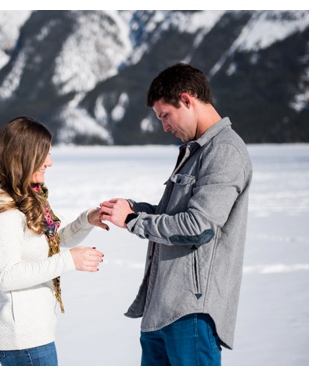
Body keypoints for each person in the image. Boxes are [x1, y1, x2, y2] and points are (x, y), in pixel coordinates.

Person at [98, 63, 252, 366]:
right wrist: (133, 209)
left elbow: (199, 227)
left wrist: (132, 221)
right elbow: (174, 217)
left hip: (191, 313)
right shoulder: (195, 151)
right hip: (162, 308)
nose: (165, 127)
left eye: (165, 115)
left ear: (186, 99)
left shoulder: (224, 152)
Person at [0, 116, 108, 366]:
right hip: (21, 337)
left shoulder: (28, 199)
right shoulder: (2, 209)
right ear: (22, 156)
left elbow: (57, 237)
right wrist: (68, 261)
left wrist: (88, 219)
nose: (50, 163)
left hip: (32, 332)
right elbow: (6, 276)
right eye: (44, 154)